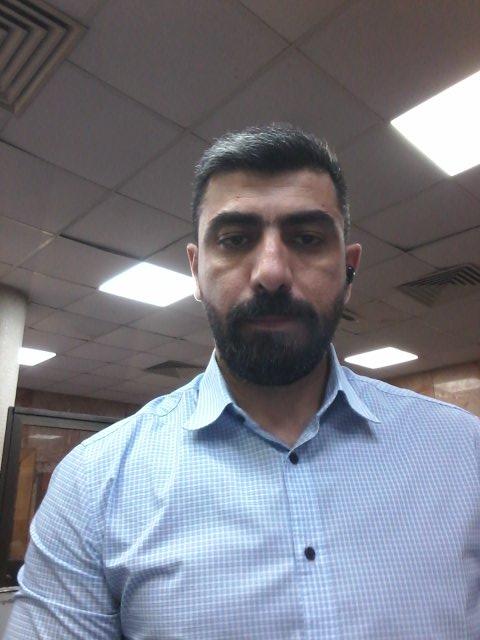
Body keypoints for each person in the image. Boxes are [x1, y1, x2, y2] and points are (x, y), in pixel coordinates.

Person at [5, 125, 480, 639]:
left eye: (307, 238)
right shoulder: (93, 485)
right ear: (196, 270)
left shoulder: (464, 451)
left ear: (349, 270)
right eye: (235, 240)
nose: (271, 273)